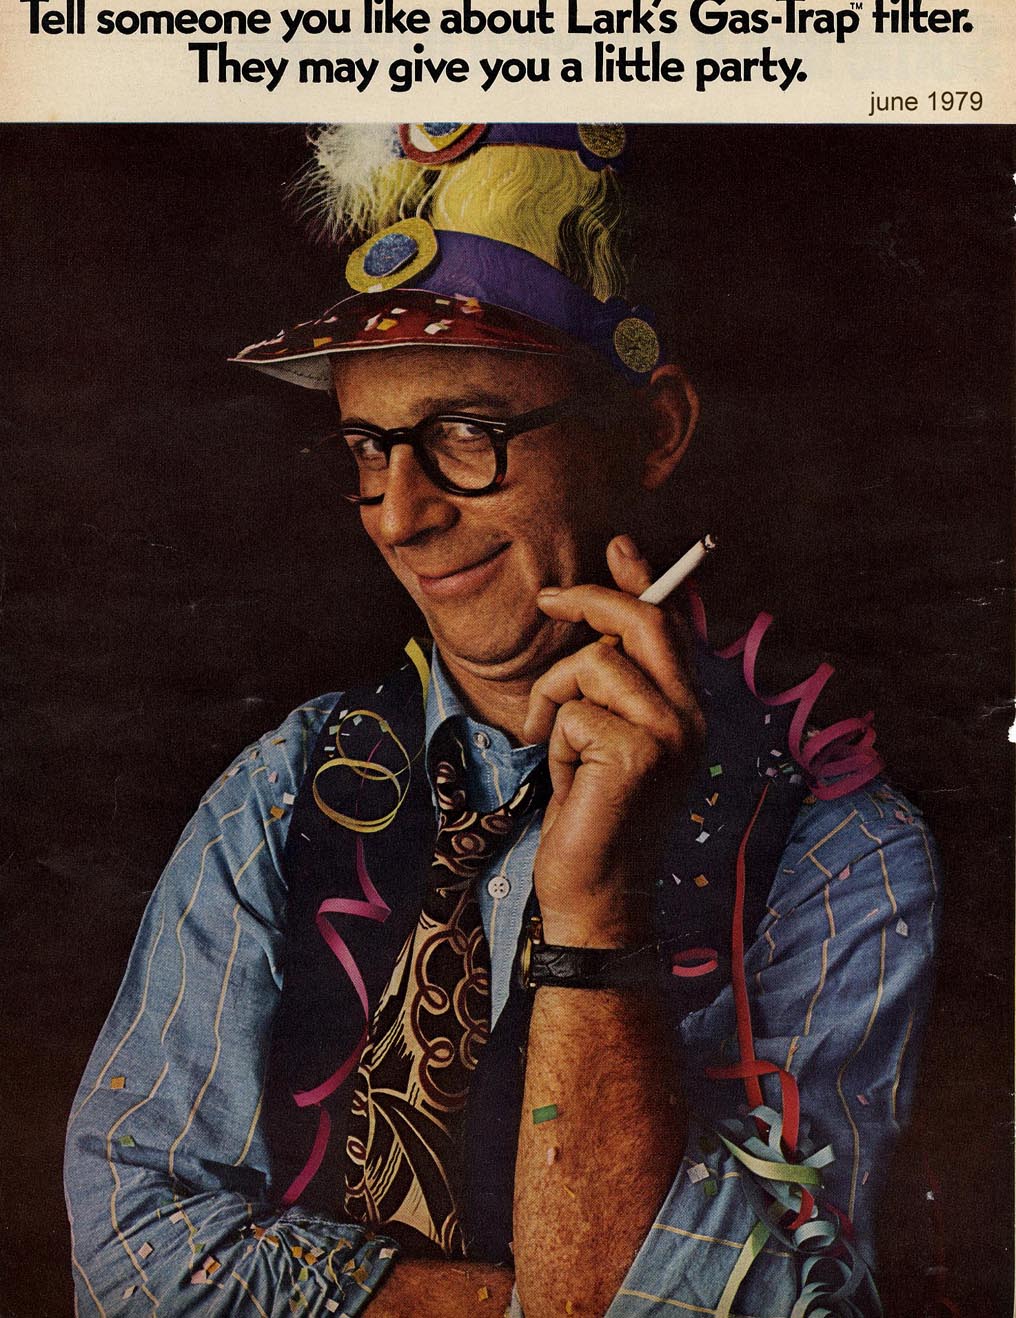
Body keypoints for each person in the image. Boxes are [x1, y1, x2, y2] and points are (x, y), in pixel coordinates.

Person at [65, 123, 939, 1318]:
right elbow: (130, 1253)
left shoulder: (838, 853)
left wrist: (595, 914)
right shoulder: (280, 787)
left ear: (652, 430)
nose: (399, 515)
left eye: (466, 435)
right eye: (367, 449)